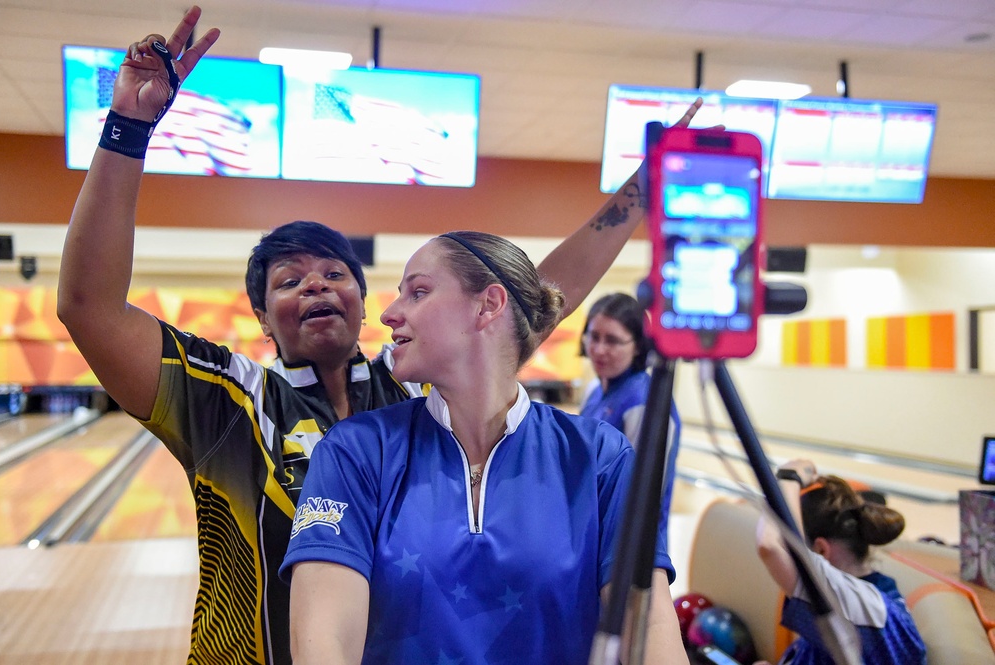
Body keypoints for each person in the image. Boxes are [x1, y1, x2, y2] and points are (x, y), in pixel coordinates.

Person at [56, 7, 707, 665]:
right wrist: (127, 130)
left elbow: (535, 297)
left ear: (367, 303)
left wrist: (639, 196)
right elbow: (89, 307)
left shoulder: (414, 387)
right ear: (260, 315)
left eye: (334, 273)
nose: (315, 286)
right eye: (288, 280)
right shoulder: (227, 398)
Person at [281, 231, 689, 664]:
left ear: (488, 305)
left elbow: (650, 630)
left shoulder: (601, 457)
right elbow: (324, 644)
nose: (389, 314)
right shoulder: (355, 452)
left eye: (418, 292)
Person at [753, 459, 926, 665]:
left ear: (820, 550)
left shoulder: (865, 609)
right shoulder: (868, 599)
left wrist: (789, 476)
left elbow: (772, 546)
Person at [579, 292, 682, 546]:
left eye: (613, 340)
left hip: (630, 549)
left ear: (637, 346)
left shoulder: (645, 402)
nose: (599, 349)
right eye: (594, 337)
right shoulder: (594, 391)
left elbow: (640, 496)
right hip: (593, 536)